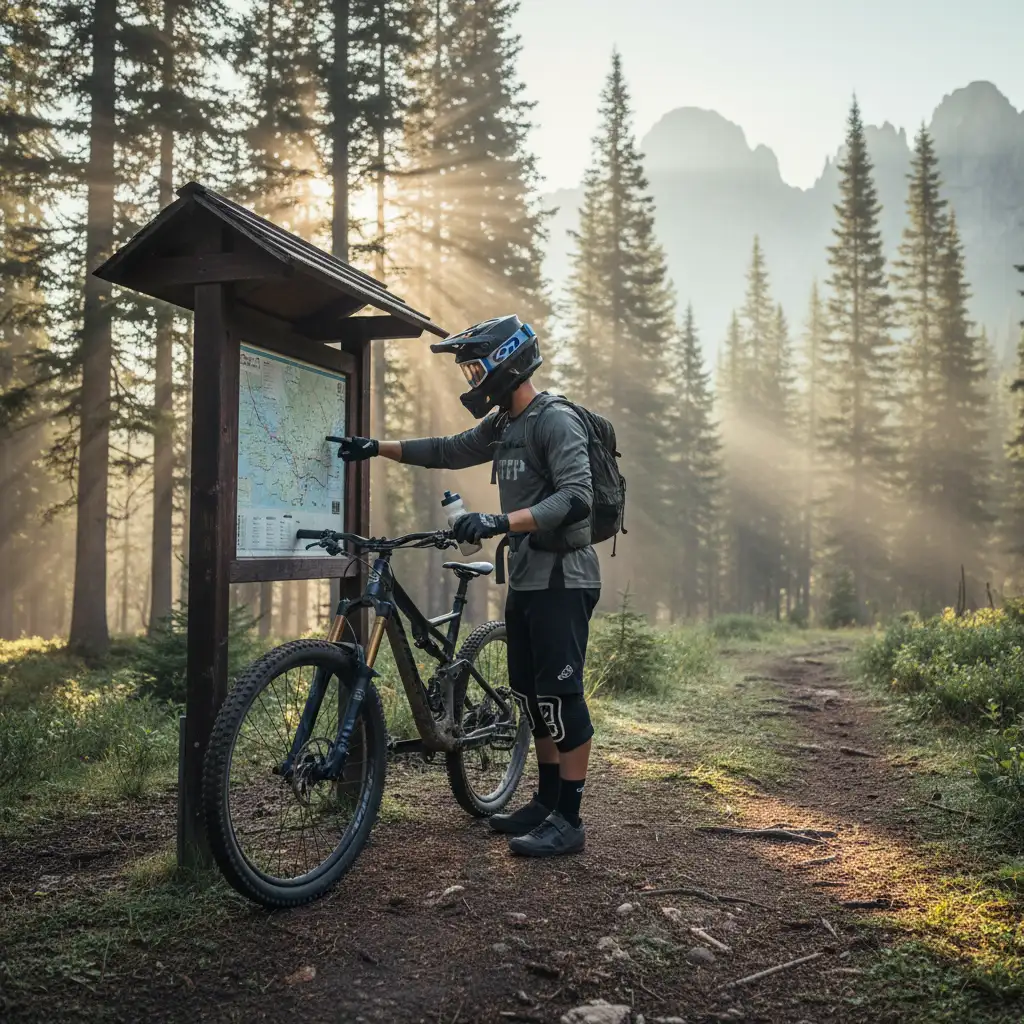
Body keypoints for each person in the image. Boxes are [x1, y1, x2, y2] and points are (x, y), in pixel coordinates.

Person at [335, 314, 600, 857]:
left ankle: (569, 819)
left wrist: (500, 522)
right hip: (527, 578)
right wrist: (376, 446)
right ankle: (545, 800)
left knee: (561, 694)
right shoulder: (503, 425)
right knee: (529, 691)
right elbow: (447, 449)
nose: (473, 378)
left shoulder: (556, 421)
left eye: (478, 366)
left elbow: (577, 497)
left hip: (564, 579)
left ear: (508, 362)